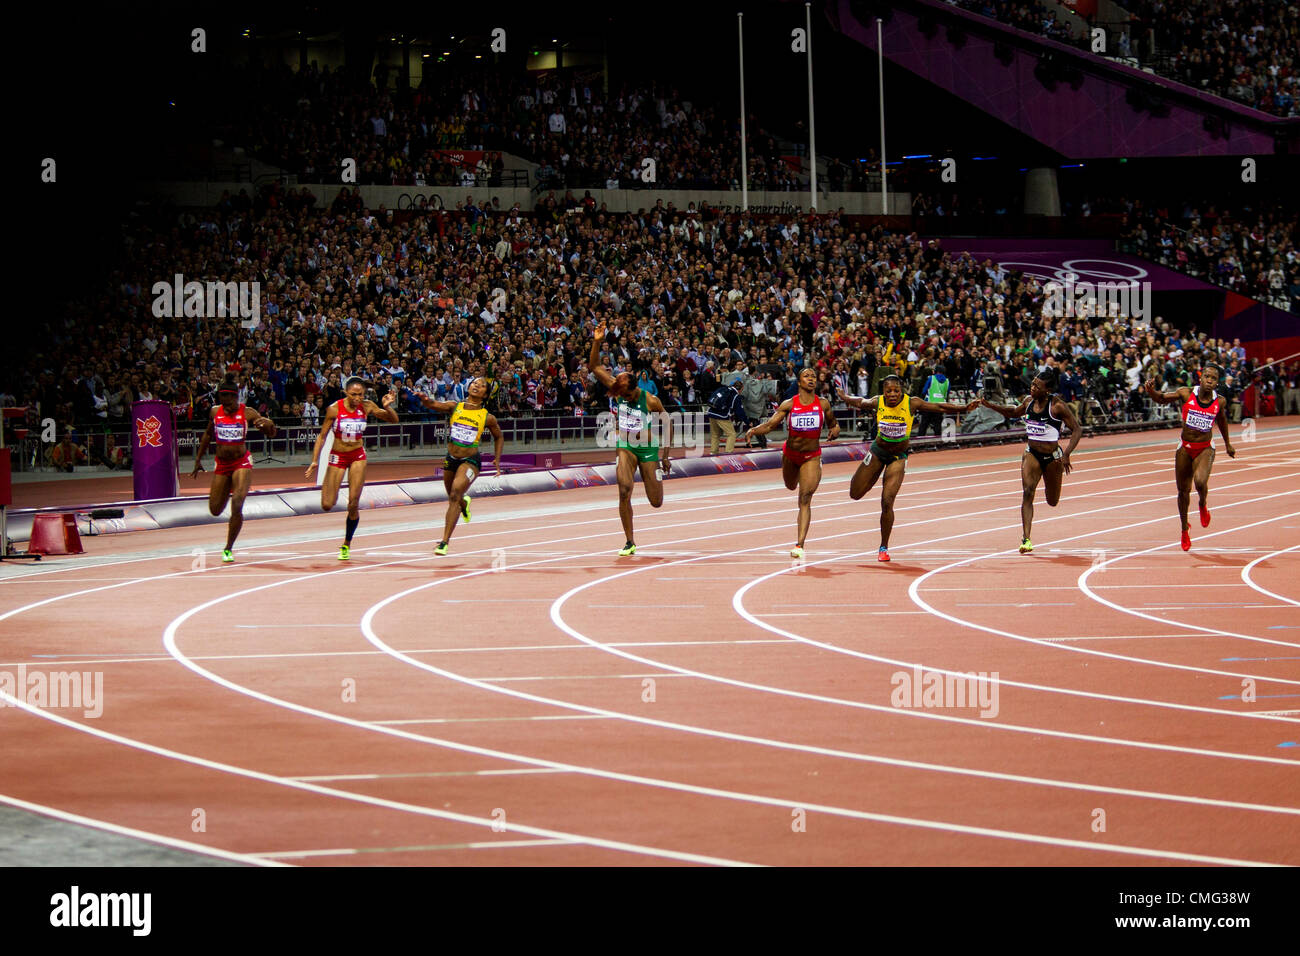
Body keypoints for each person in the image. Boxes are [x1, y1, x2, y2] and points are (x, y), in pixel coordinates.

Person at [836, 375, 978, 561]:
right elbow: (860, 402)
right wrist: (845, 397)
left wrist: (964, 407)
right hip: (878, 451)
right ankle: (871, 478)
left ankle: (883, 547)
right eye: (889, 391)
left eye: (896, 390)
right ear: (884, 392)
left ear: (902, 390)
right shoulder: (878, 402)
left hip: (898, 457)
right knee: (855, 493)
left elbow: (939, 406)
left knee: (887, 501)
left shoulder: (912, 403)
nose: (893, 394)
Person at [589, 324, 672, 555]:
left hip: (647, 448)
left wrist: (666, 456)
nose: (622, 398)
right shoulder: (617, 385)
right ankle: (629, 541)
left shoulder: (651, 400)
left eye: (625, 396)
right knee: (624, 489)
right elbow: (594, 366)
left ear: (635, 390)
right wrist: (597, 341)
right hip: (625, 445)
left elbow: (668, 423)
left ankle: (651, 476)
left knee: (656, 501)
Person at [979, 369, 1083, 554]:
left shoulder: (1057, 406)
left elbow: (1076, 429)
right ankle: (1026, 539)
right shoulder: (1028, 402)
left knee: (1052, 501)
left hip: (1052, 458)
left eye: (1037, 386)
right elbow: (1012, 413)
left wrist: (1066, 453)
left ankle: (1049, 482)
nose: (1032, 388)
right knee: (1027, 492)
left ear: (1047, 390)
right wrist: (989, 405)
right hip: (1032, 454)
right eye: (1033, 384)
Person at [746, 368, 839, 558]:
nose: (811, 379)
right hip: (790, 454)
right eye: (807, 376)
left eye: (813, 376)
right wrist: (754, 430)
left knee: (804, 498)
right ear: (799, 382)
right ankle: (798, 477)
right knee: (790, 486)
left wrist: (835, 430)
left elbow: (833, 423)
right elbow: (771, 425)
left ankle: (799, 545)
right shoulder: (789, 404)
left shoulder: (823, 404)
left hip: (811, 456)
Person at [1143, 363, 1237, 551]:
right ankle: (1184, 529)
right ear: (1200, 378)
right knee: (1182, 491)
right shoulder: (1186, 393)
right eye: (1207, 377)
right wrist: (1150, 391)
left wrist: (1228, 444)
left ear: (1216, 383)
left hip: (1205, 447)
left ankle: (1202, 504)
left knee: (1200, 482)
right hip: (1185, 446)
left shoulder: (1220, 401)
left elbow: (1222, 421)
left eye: (1213, 379)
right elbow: (1161, 399)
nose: (1209, 381)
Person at [306, 377, 399, 560]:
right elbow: (322, 436)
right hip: (338, 456)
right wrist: (315, 460)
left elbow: (393, 420)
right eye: (354, 394)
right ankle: (332, 495)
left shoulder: (367, 406)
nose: (357, 398)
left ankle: (346, 544)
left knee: (353, 503)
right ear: (346, 393)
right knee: (326, 504)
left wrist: (388, 406)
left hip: (357, 455)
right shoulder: (334, 409)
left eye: (361, 394)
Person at [410, 377, 504, 556]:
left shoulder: (487, 416)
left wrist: (497, 458)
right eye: (475, 383)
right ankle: (464, 502)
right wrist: (424, 399)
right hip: (451, 458)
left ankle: (444, 542)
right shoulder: (456, 406)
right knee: (453, 495)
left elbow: (499, 436)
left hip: (471, 461)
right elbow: (434, 404)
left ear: (485, 394)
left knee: (454, 494)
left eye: (482, 385)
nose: (477, 385)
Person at [190, 376, 277, 563]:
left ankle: (228, 548)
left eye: (228, 400)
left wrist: (269, 426)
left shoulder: (248, 413)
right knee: (214, 510)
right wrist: (198, 459)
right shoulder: (215, 412)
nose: (225, 404)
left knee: (237, 502)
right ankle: (228, 487)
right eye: (222, 399)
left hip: (241, 462)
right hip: (222, 464)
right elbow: (207, 435)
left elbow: (271, 432)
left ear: (236, 397)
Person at [706, 376, 747, 454]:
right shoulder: (735, 395)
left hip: (711, 413)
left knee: (715, 434)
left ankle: (713, 452)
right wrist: (747, 422)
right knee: (731, 434)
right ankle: (728, 453)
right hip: (722, 416)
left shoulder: (723, 389)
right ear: (740, 388)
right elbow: (740, 412)